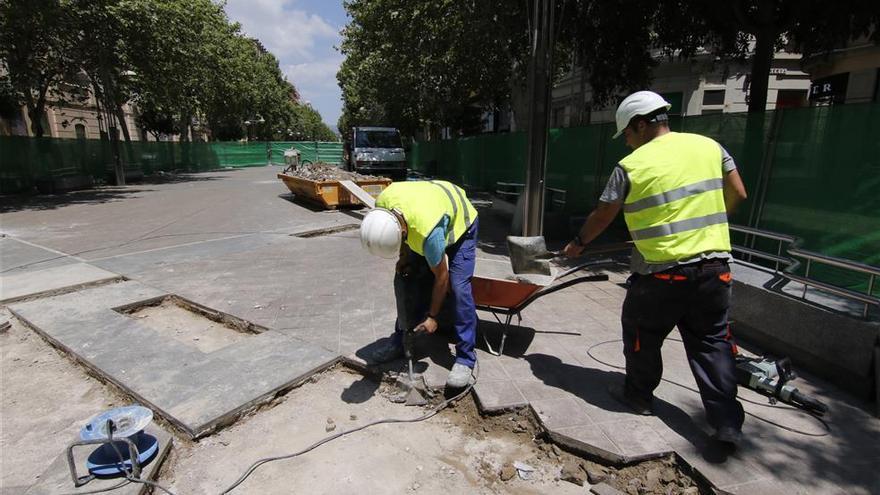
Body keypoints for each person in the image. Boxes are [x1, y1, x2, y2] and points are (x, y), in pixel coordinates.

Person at [564, 91, 749, 446]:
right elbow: (738, 192)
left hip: (663, 274)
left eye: (628, 135)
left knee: (640, 333)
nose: (629, 143)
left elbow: (604, 214)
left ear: (640, 124)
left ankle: (638, 396)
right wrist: (704, 225)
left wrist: (580, 243)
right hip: (715, 270)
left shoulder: (631, 166)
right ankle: (726, 422)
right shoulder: (710, 147)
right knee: (712, 343)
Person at [360, 180, 479, 389]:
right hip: (424, 213)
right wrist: (404, 256)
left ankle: (465, 358)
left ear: (403, 230)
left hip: (462, 224)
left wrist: (433, 317)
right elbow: (403, 240)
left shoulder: (427, 234)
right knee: (406, 277)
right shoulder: (382, 206)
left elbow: (442, 277)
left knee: (458, 287)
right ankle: (401, 340)